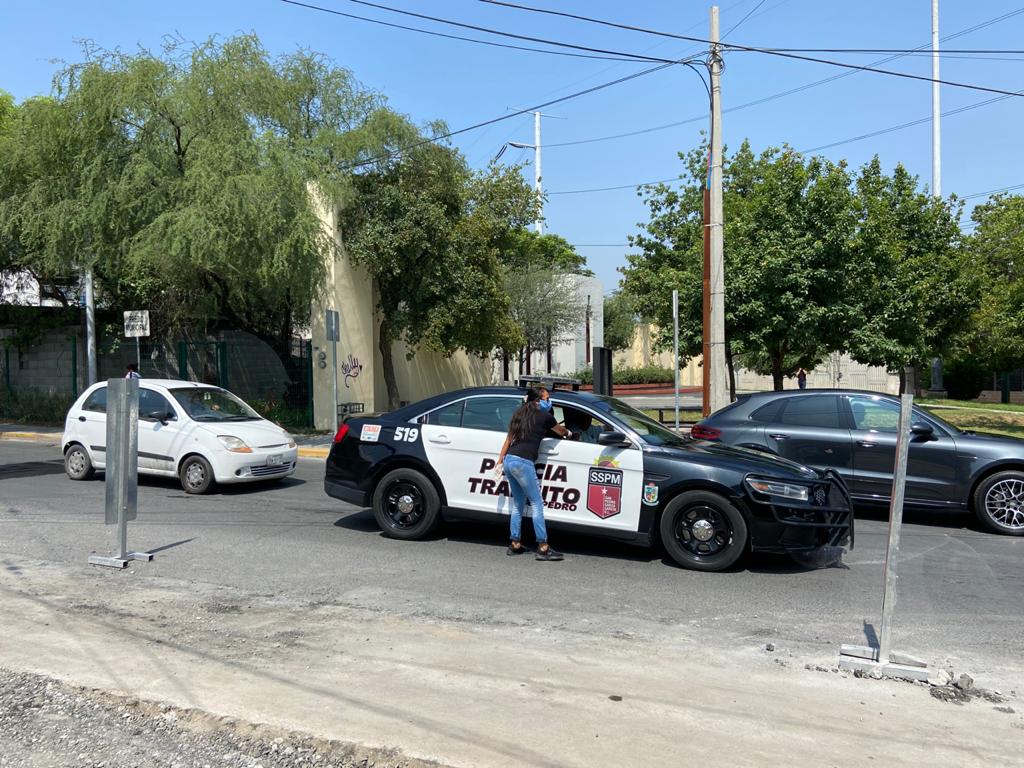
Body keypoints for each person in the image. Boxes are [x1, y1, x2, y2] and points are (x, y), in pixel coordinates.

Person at [496, 385, 572, 561]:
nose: (549, 402)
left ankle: (515, 544)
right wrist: (570, 433)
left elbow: (508, 440)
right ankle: (543, 547)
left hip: (509, 460)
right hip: (523, 462)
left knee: (518, 503)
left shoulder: (519, 414)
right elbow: (561, 431)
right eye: (546, 399)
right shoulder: (545, 417)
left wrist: (499, 462)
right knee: (537, 503)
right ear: (537, 401)